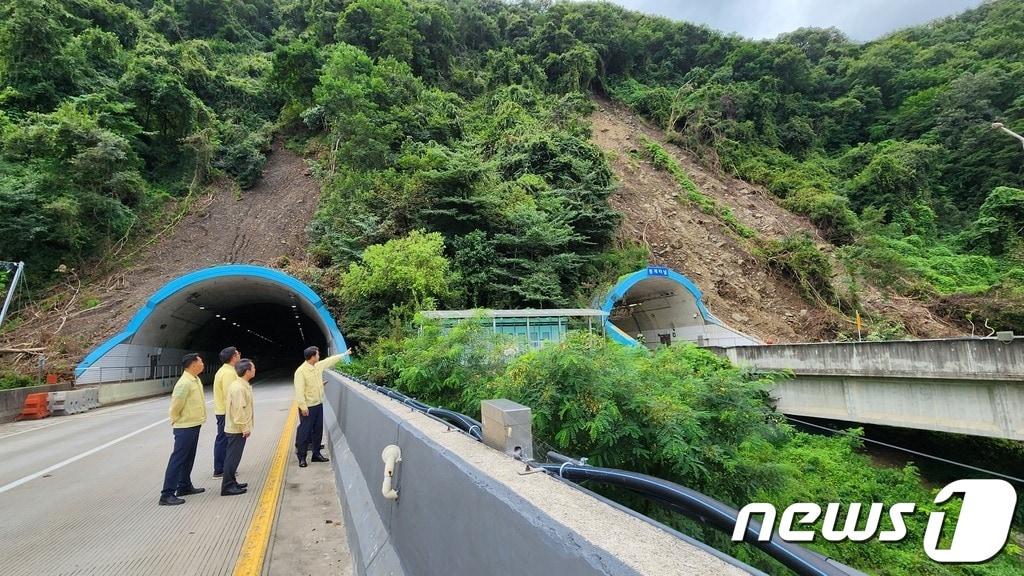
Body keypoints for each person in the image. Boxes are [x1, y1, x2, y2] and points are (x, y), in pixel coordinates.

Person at [159, 353, 208, 506]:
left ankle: (184, 486)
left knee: (188, 457)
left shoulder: (195, 379)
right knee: (178, 459)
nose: (202, 363)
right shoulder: (184, 383)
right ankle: (167, 494)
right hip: (185, 426)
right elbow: (176, 405)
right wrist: (175, 419)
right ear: (193, 364)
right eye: (200, 361)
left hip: (194, 424)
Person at [293, 345, 350, 467]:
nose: (319, 356)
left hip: (318, 404)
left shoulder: (317, 366)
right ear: (312, 357)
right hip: (308, 407)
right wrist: (303, 407)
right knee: (305, 432)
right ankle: (302, 457)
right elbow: (299, 391)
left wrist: (344, 354)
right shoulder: (301, 371)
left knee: (317, 430)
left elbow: (329, 361)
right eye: (318, 354)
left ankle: (316, 454)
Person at [222, 358, 255, 496]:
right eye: (253, 368)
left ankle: (232, 482)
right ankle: (227, 486)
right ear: (247, 371)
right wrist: (244, 427)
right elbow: (238, 410)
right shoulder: (239, 388)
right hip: (237, 429)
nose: (254, 370)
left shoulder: (240, 385)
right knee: (232, 457)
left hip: (236, 428)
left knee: (234, 457)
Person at [212, 346, 240, 478]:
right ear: (233, 357)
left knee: (223, 439)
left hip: (223, 411)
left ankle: (223, 467)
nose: (239, 355)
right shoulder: (228, 373)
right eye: (237, 353)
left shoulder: (225, 371)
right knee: (224, 439)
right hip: (226, 412)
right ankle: (220, 468)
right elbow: (230, 395)